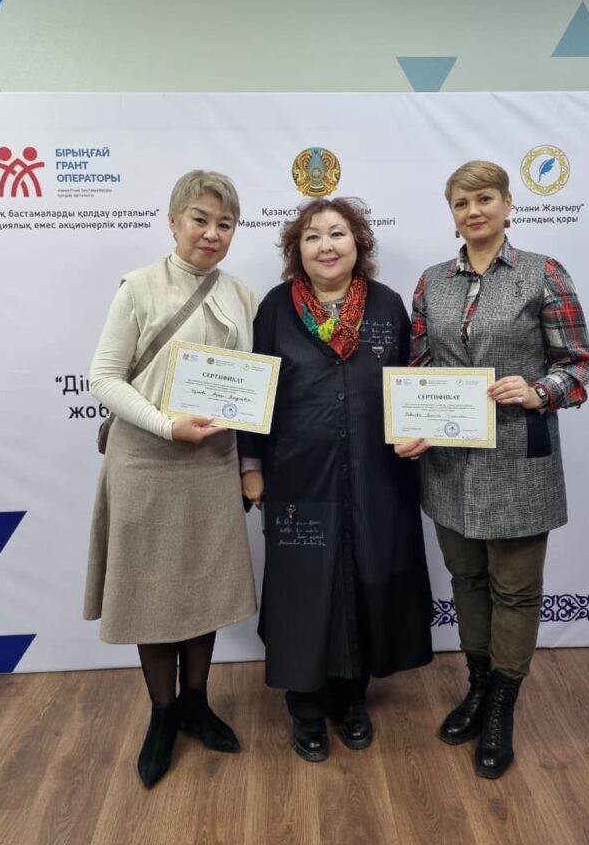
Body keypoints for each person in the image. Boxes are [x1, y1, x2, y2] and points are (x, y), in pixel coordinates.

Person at [396, 160, 589, 779]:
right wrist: (413, 422)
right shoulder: (431, 283)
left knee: (515, 588)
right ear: (452, 214)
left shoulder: (543, 273)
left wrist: (539, 391)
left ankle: (503, 704)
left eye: (484, 199)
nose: (473, 211)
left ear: (509, 205)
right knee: (467, 579)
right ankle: (478, 686)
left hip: (517, 459)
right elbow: (420, 368)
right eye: (461, 203)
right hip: (450, 463)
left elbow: (579, 364)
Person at [240, 198, 433, 762]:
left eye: (337, 234)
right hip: (299, 479)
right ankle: (304, 706)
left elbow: (413, 383)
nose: (326, 246)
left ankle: (352, 699)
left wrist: (425, 429)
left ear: (358, 243)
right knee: (302, 589)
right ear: (296, 250)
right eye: (312, 237)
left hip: (378, 477)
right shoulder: (275, 309)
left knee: (367, 579)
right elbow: (254, 395)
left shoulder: (387, 304)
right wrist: (251, 467)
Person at [83, 170, 258, 789]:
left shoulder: (241, 294)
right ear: (174, 221)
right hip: (147, 459)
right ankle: (162, 715)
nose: (211, 233)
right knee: (152, 590)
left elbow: (251, 390)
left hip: (211, 461)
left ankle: (196, 704)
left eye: (224, 224)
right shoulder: (140, 286)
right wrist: (165, 424)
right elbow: (104, 378)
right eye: (200, 220)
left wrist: (248, 464)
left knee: (201, 585)